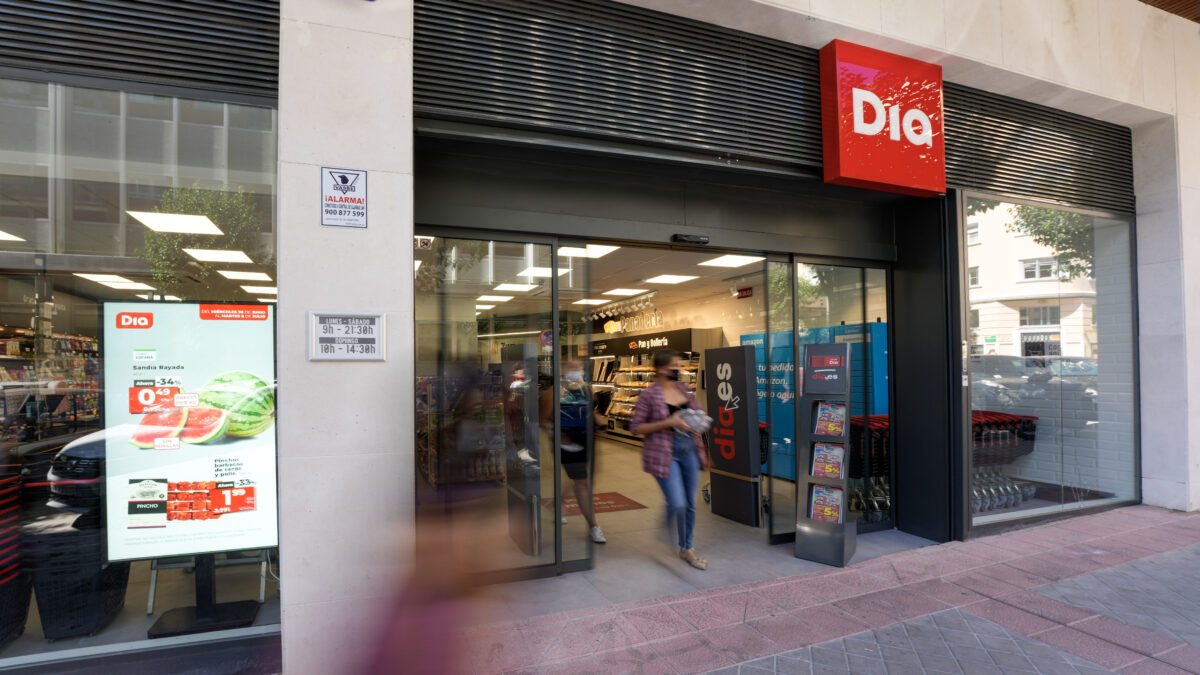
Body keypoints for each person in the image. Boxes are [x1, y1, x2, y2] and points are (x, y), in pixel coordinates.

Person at [630, 349, 709, 570]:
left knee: (691, 503)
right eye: (675, 365)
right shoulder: (649, 395)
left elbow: (697, 412)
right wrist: (668, 423)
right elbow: (636, 427)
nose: (678, 368)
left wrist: (699, 421)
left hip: (689, 449)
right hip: (665, 452)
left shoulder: (684, 389)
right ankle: (665, 533)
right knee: (677, 502)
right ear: (662, 369)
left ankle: (686, 548)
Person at [541, 360, 607, 544]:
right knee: (582, 483)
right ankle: (594, 526)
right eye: (570, 367)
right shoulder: (553, 393)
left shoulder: (586, 389)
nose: (575, 370)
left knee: (585, 480)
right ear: (561, 370)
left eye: (577, 367)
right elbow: (543, 420)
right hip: (568, 445)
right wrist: (559, 436)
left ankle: (556, 504)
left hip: (587, 441)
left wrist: (601, 422)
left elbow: (592, 411)